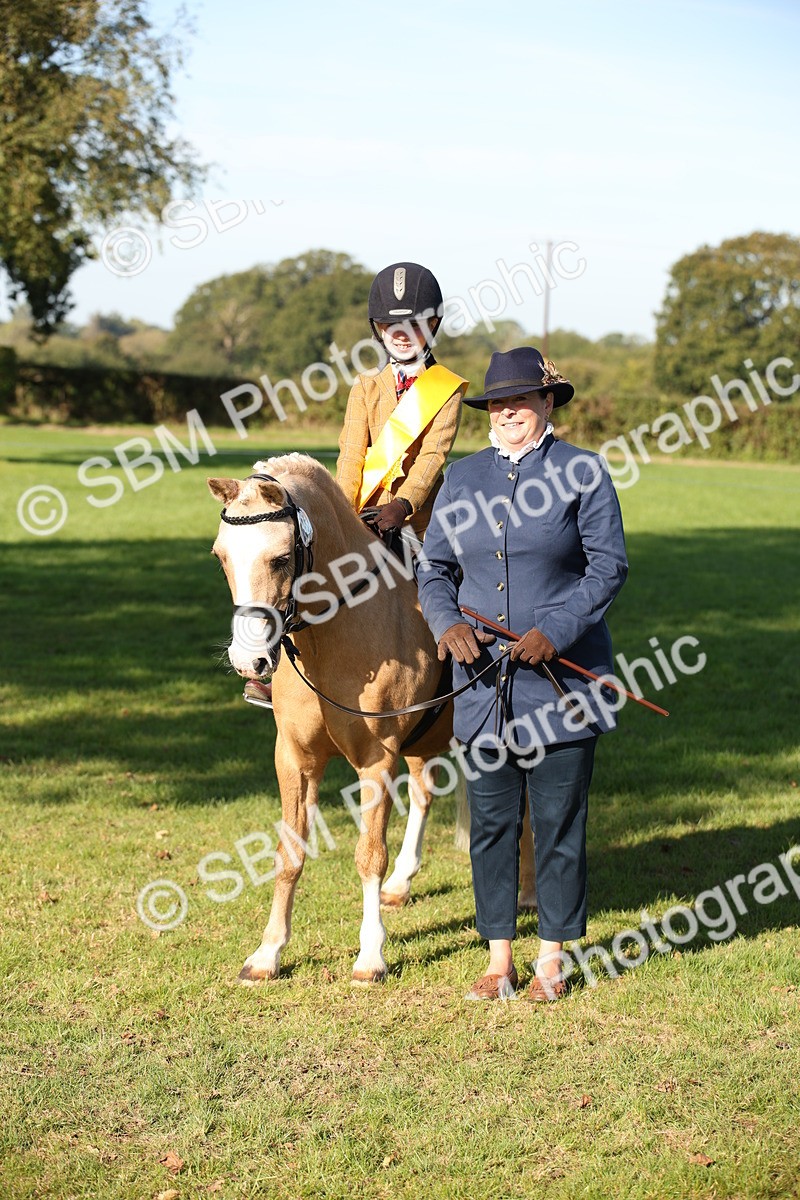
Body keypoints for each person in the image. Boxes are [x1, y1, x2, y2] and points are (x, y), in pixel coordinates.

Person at [417, 347, 628, 1002]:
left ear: (546, 404)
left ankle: (552, 961)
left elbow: (608, 567)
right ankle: (499, 958)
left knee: (559, 823)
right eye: (498, 402)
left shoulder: (583, 472)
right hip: (483, 691)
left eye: (521, 400)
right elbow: (434, 570)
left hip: (563, 687)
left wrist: (555, 631)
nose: (509, 411)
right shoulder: (461, 478)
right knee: (492, 824)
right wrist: (445, 624)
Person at [244, 261, 467, 709]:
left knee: (450, 583)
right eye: (389, 325)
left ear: (434, 325)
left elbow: (432, 457)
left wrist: (403, 506)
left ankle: (463, 672)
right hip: (361, 513)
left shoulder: (448, 389)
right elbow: (351, 454)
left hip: (418, 519)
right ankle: (276, 673)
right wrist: (344, 515)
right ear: (376, 329)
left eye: (413, 324)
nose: (400, 333)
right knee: (302, 580)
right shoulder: (365, 387)